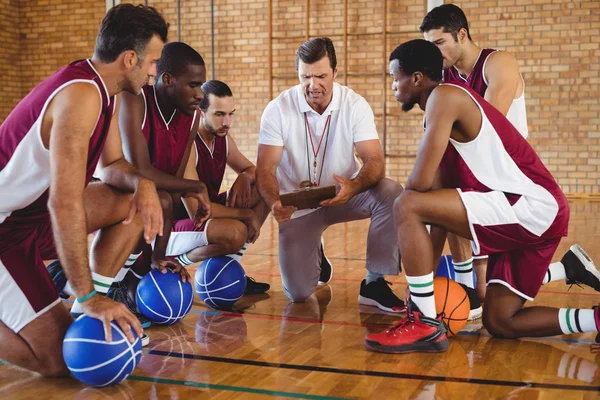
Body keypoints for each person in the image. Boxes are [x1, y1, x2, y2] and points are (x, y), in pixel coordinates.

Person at [365, 39, 600, 354]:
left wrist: (423, 304)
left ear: (417, 78)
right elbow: (432, 211)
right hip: (535, 211)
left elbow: (416, 186)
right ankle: (595, 320)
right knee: (500, 322)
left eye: (395, 78)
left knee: (405, 202)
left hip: (531, 206)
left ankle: (423, 323)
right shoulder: (439, 112)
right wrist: (420, 285)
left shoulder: (444, 97)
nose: (393, 86)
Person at [0, 4, 168, 376]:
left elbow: (111, 168)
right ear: (129, 59)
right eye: (153, 61)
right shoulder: (81, 98)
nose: (155, 71)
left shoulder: (101, 89)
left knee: (133, 203)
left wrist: (144, 184)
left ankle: (80, 305)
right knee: (59, 361)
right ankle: (86, 300)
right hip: (4, 232)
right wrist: (88, 294)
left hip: (30, 218)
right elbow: (64, 203)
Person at [420, 4, 599, 310]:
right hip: (475, 174)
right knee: (441, 196)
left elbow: (487, 130)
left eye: (439, 43)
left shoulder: (498, 63)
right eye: (430, 45)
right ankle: (469, 289)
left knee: (488, 290)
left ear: (462, 35)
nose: (435, 52)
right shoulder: (445, 77)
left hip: (511, 178)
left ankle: (558, 271)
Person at [256, 37, 404, 311]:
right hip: (298, 207)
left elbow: (374, 159)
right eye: (306, 77)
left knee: (392, 193)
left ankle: (374, 283)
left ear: (335, 72)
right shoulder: (277, 109)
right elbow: (265, 168)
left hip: (344, 196)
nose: (313, 85)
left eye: (321, 76)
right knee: (299, 294)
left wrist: (354, 185)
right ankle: (317, 254)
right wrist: (274, 202)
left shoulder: (354, 104)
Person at [164, 80, 271, 295]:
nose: (227, 122)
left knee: (264, 187)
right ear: (201, 112)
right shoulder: (189, 145)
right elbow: (197, 210)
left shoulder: (223, 138)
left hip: (205, 218)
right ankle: (178, 259)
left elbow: (254, 171)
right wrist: (246, 213)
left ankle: (229, 269)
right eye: (220, 114)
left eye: (231, 114)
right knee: (235, 232)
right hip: (176, 225)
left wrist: (244, 175)